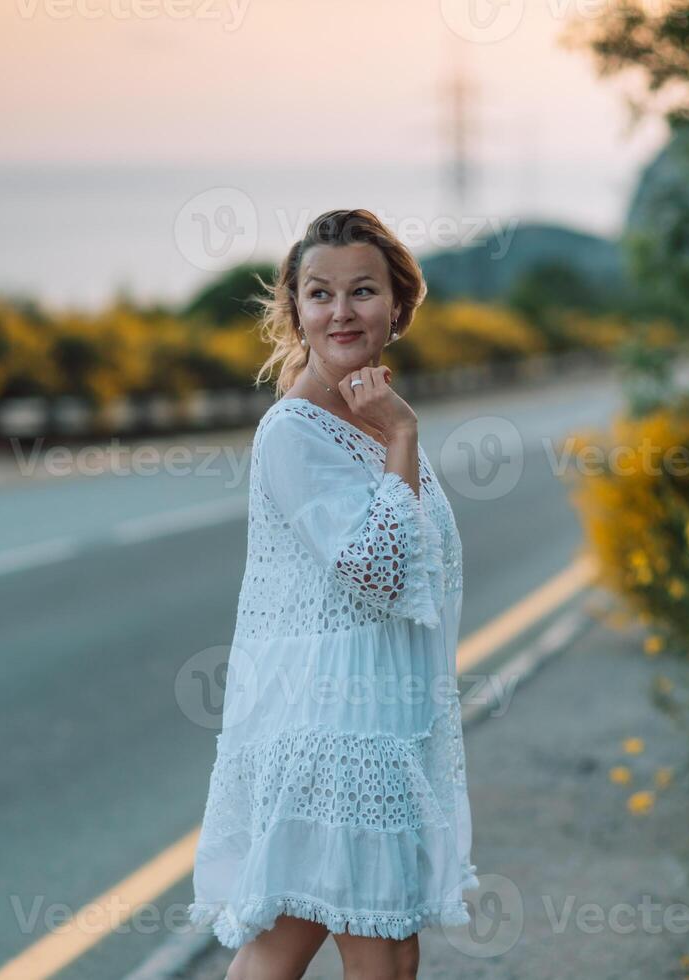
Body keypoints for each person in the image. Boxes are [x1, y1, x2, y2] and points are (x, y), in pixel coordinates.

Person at [188, 209, 475, 980]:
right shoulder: (297, 431)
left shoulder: (368, 415)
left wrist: (393, 435)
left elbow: (421, 563)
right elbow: (380, 572)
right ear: (296, 310)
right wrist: (404, 438)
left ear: (398, 307)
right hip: (336, 727)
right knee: (383, 950)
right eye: (320, 293)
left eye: (362, 291)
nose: (341, 311)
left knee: (289, 939)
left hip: (377, 717)